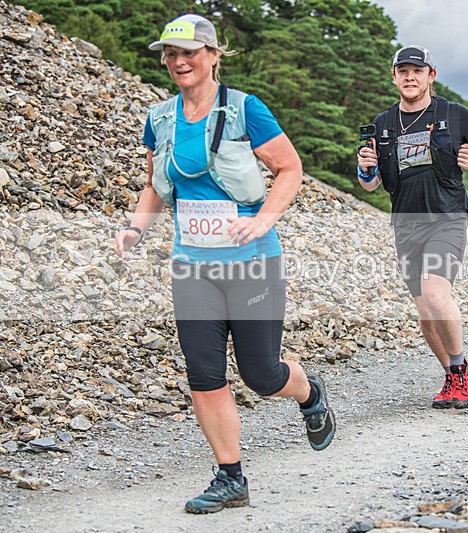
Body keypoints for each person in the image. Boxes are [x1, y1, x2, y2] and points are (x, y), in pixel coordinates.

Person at [113, 14, 335, 514]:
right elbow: (154, 186)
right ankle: (230, 477)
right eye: (170, 54)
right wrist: (135, 228)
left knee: (261, 374)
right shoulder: (161, 117)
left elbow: (290, 168)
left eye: (189, 52)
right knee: (204, 373)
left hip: (253, 261)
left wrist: (263, 221)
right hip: (192, 264)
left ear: (214, 55)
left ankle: (308, 392)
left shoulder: (244, 110)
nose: (178, 61)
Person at [356, 45, 468, 410]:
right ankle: (451, 375)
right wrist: (366, 166)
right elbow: (371, 185)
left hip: (446, 217)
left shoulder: (453, 113)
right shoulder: (383, 124)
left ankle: (461, 370)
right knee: (425, 314)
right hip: (406, 225)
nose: (410, 77)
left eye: (417, 71)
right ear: (394, 77)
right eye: (403, 71)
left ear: (431, 75)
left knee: (436, 295)